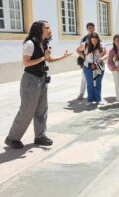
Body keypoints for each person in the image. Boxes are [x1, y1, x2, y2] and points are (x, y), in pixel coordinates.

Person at [5, 20, 71, 149]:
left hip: (42, 78)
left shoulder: (44, 43)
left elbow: (49, 59)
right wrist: (44, 58)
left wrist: (63, 57)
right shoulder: (30, 44)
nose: (50, 30)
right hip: (30, 80)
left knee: (42, 109)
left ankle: (40, 137)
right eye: (47, 27)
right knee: (27, 110)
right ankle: (12, 138)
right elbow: (26, 63)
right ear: (39, 30)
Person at [77, 32, 107, 106]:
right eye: (92, 41)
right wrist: (84, 57)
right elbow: (78, 50)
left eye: (96, 41)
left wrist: (102, 58)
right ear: (90, 40)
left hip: (98, 66)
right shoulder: (85, 44)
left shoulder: (101, 45)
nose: (94, 42)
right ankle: (90, 100)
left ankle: (98, 99)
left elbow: (106, 53)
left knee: (97, 83)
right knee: (90, 83)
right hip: (88, 66)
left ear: (98, 40)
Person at [78, 22, 95, 99]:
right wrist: (82, 60)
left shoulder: (97, 38)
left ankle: (93, 95)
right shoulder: (84, 39)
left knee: (95, 78)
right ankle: (81, 93)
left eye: (92, 28)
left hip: (95, 62)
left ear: (94, 28)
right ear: (87, 29)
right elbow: (80, 51)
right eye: (89, 28)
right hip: (86, 62)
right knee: (84, 78)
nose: (91, 29)